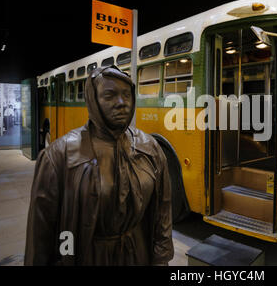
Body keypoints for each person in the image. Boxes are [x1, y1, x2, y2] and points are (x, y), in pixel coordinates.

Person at [25, 66, 173, 265]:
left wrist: (161, 259)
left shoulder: (150, 147)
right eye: (109, 95)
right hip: (87, 256)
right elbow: (41, 233)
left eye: (126, 95)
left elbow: (162, 211)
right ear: (93, 101)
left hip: (137, 254)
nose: (121, 103)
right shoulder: (60, 155)